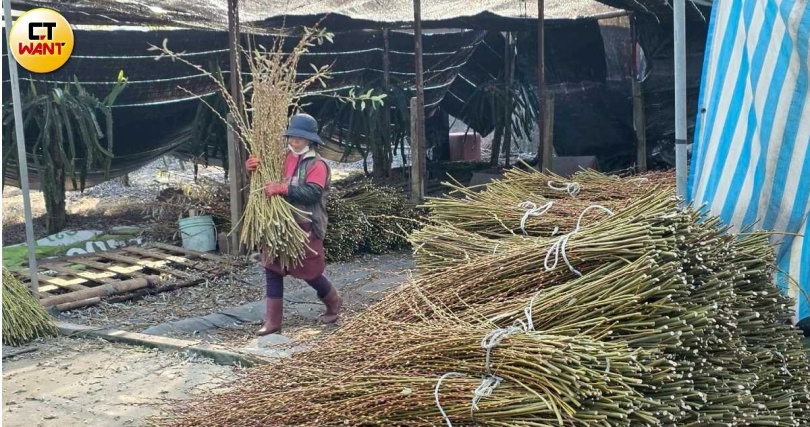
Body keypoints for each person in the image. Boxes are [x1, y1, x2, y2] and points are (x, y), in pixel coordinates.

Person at [245, 113, 342, 336]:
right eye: (292, 137)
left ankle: (334, 302)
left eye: (300, 138)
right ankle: (273, 322)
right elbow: (263, 185)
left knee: (311, 272)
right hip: (278, 225)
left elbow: (313, 194)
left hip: (305, 226)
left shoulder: (318, 165)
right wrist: (252, 170)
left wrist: (284, 189)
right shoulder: (280, 159)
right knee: (272, 269)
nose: (295, 141)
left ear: (310, 140)